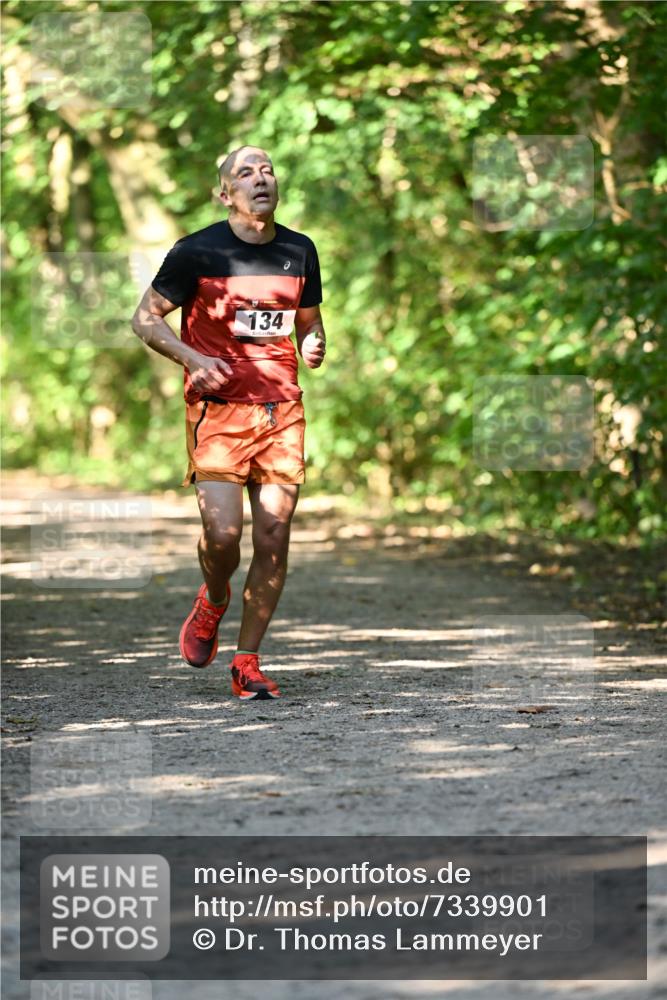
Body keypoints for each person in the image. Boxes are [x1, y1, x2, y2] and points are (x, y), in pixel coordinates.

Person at [131, 145, 325, 700]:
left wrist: (313, 343)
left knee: (274, 535)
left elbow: (308, 323)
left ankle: (247, 660)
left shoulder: (299, 250)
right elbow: (143, 319)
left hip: (281, 409)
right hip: (218, 411)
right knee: (224, 535)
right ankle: (213, 598)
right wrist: (193, 358)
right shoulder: (196, 251)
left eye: (267, 170)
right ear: (225, 193)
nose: (260, 178)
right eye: (246, 173)